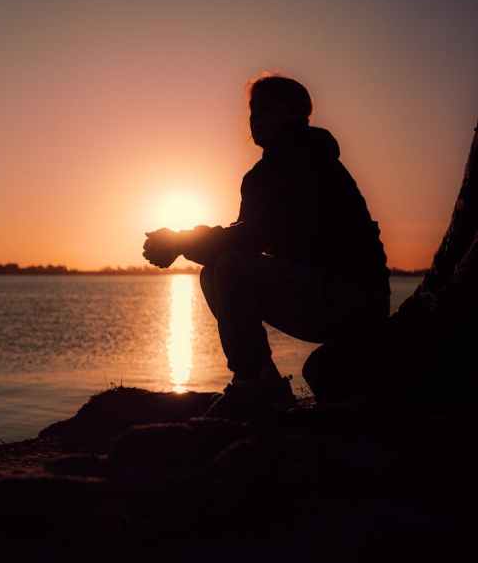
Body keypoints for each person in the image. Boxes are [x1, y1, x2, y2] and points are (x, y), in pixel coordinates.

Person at [143, 75, 390, 417]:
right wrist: (181, 243)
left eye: (265, 110)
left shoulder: (310, 162)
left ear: (294, 114)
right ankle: (263, 378)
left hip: (352, 299)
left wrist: (180, 241)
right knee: (215, 271)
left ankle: (255, 385)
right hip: (322, 294)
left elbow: (249, 238)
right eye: (253, 111)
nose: (255, 119)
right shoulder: (264, 174)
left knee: (229, 268)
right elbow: (242, 238)